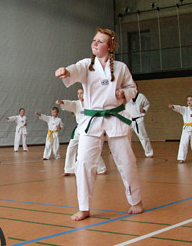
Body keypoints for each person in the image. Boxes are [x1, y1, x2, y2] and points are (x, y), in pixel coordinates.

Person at [55, 27, 143, 221]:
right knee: (84, 163)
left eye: (100, 41)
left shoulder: (120, 68)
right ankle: (84, 207)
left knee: (126, 162)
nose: (95, 43)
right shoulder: (87, 65)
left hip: (115, 118)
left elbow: (132, 88)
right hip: (91, 120)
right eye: (94, 40)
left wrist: (124, 94)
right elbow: (75, 70)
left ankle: (135, 200)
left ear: (110, 47)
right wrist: (66, 71)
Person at [56, 88, 107, 177]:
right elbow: (70, 104)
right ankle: (69, 169)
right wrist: (62, 102)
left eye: (82, 93)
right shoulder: (76, 104)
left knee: (90, 148)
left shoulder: (91, 103)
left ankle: (101, 168)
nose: (80, 95)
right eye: (78, 93)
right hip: (79, 128)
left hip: (89, 129)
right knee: (71, 147)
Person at [169, 96, 192, 163]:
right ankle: (181, 158)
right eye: (188, 100)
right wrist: (173, 106)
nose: (189, 101)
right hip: (186, 128)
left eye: (191, 100)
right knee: (183, 143)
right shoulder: (185, 109)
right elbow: (179, 108)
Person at [124, 90, 154, 158]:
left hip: (138, 119)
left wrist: (144, 109)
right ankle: (126, 153)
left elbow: (147, 104)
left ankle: (149, 153)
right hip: (128, 120)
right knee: (126, 137)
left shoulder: (141, 96)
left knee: (143, 137)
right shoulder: (126, 97)